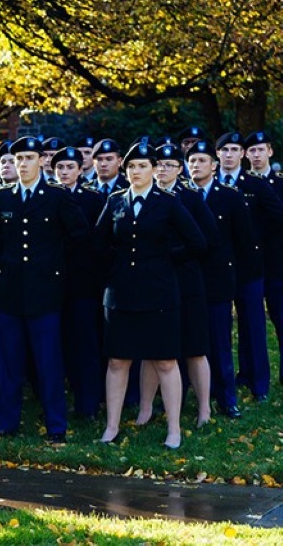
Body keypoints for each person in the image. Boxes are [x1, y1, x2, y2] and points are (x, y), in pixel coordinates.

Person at [94, 142, 206, 449]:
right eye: (131, 167)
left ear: (154, 170)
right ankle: (112, 427)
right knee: (118, 361)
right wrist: (114, 270)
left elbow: (197, 242)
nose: (136, 172)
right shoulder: (116, 200)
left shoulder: (168, 203)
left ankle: (173, 429)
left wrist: (168, 259)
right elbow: (98, 243)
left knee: (166, 361)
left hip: (159, 292)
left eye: (142, 166)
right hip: (121, 293)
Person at [0, 137, 88, 444]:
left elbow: (80, 235)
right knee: (7, 364)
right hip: (9, 293)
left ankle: (56, 425)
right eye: (18, 159)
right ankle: (5, 423)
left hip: (46, 294)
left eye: (29, 158)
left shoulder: (56, 196)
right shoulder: (2, 197)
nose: (23, 164)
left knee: (49, 363)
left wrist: (56, 269)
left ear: (41, 161)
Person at [137, 142, 219, 428]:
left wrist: (175, 255)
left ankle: (204, 410)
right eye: (158, 164)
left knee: (195, 348)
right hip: (154, 283)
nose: (163, 170)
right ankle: (145, 409)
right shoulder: (145, 196)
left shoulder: (191, 197)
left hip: (186, 280)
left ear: (180, 169)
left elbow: (207, 239)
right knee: (152, 348)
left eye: (170, 165)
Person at [186, 140, 255, 418]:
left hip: (217, 278)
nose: (196, 166)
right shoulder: (181, 195)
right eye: (191, 161)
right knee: (187, 342)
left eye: (201, 161)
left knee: (220, 341)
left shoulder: (230, 196)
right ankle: (188, 397)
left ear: (213, 165)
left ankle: (227, 398)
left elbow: (244, 239)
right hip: (189, 278)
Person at [216, 132, 283, 402]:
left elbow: (278, 216)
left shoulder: (254, 184)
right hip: (219, 266)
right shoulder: (208, 182)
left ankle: (258, 383)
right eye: (225, 150)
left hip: (250, 265)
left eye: (235, 150)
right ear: (217, 154)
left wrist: (254, 239)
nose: (230, 154)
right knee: (220, 327)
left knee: (253, 325)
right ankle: (231, 378)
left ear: (241, 155)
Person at [50, 146, 106, 419]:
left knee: (86, 344)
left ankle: (89, 403)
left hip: (84, 282)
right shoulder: (47, 197)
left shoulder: (93, 199)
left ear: (81, 170)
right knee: (63, 344)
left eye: (69, 167)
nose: (64, 172)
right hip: (54, 283)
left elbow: (97, 240)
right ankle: (66, 399)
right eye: (59, 167)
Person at [243, 131, 283, 387]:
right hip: (251, 262)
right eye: (252, 151)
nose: (256, 155)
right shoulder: (241, 184)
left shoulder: (280, 183)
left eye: (261, 150)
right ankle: (248, 373)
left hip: (278, 262)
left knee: (281, 317)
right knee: (250, 321)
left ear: (270, 151)